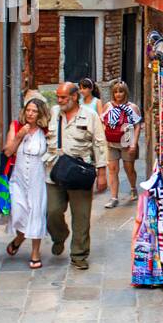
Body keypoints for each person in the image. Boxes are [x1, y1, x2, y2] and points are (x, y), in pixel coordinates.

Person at [45, 81, 108, 270]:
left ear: (74, 97)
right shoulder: (53, 112)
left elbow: (99, 143)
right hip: (54, 170)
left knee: (81, 216)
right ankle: (59, 235)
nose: (59, 100)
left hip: (79, 171)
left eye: (63, 97)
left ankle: (79, 254)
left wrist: (102, 172)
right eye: (58, 96)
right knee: (52, 212)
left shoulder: (90, 116)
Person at [3, 96, 50, 269]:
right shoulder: (16, 126)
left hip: (38, 177)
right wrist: (19, 136)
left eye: (34, 111)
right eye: (28, 110)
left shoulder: (45, 131)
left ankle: (35, 253)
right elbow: (8, 152)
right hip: (18, 177)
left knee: (36, 212)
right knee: (19, 211)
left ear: (40, 113)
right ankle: (20, 237)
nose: (30, 113)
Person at [101, 80, 143, 209]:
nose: (118, 94)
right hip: (111, 142)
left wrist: (134, 144)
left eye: (121, 91)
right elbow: (103, 121)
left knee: (128, 168)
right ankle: (114, 197)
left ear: (125, 92)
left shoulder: (132, 107)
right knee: (113, 170)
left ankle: (132, 187)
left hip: (127, 141)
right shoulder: (108, 106)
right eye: (115, 92)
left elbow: (137, 126)